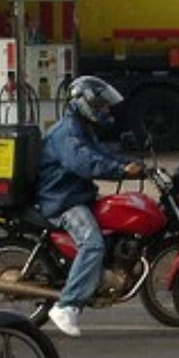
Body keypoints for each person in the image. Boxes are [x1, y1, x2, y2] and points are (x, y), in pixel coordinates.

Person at [37, 76, 144, 337]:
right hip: (62, 200)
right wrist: (120, 170)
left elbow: (100, 154)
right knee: (92, 242)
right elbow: (84, 162)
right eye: (100, 106)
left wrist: (129, 163)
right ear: (83, 103)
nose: (105, 111)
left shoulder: (83, 129)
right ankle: (67, 305)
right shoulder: (68, 132)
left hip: (76, 195)